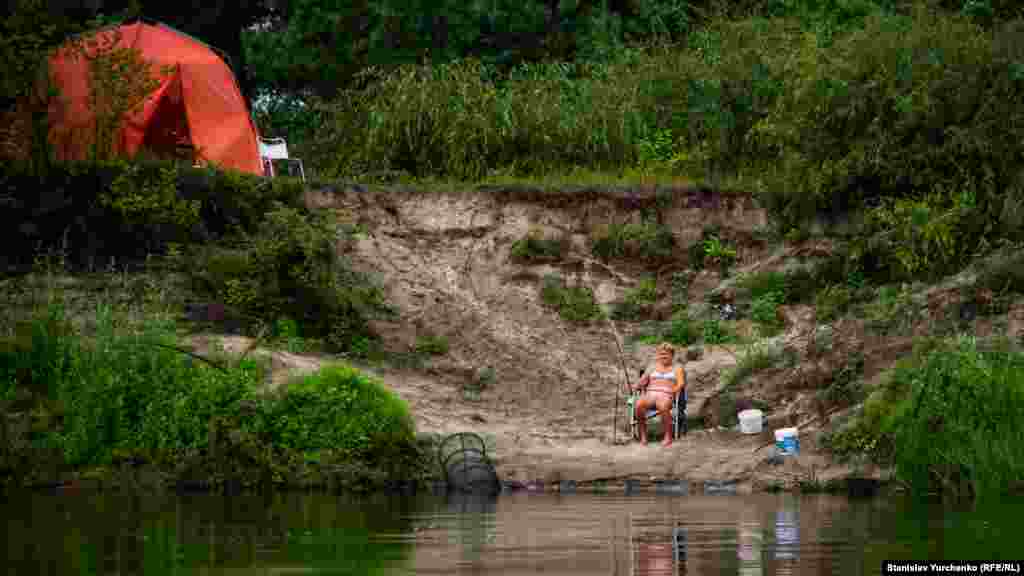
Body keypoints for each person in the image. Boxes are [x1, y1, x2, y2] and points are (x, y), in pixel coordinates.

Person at [632, 342, 686, 447]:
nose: (663, 356)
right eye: (661, 354)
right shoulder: (652, 367)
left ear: (672, 355)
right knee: (639, 404)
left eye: (666, 354)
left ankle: (668, 436)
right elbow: (643, 380)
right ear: (658, 355)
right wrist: (637, 385)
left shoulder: (677, 368)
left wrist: (674, 391)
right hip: (651, 393)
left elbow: (681, 383)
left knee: (662, 405)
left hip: (666, 394)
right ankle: (643, 435)